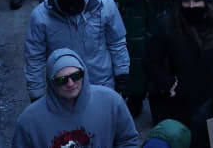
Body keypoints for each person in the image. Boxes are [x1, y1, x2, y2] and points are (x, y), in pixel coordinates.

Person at [24, 0, 129, 101]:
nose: (72, 9)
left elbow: (117, 41)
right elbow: (34, 57)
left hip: (101, 84)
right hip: (64, 88)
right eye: (67, 6)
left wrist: (122, 72)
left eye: (76, 6)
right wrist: (36, 92)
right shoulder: (40, 17)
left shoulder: (105, 4)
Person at [12, 49, 140, 148]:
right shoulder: (28, 122)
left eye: (76, 75)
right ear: (51, 82)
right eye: (62, 80)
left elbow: (128, 140)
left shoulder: (111, 102)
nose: (71, 83)